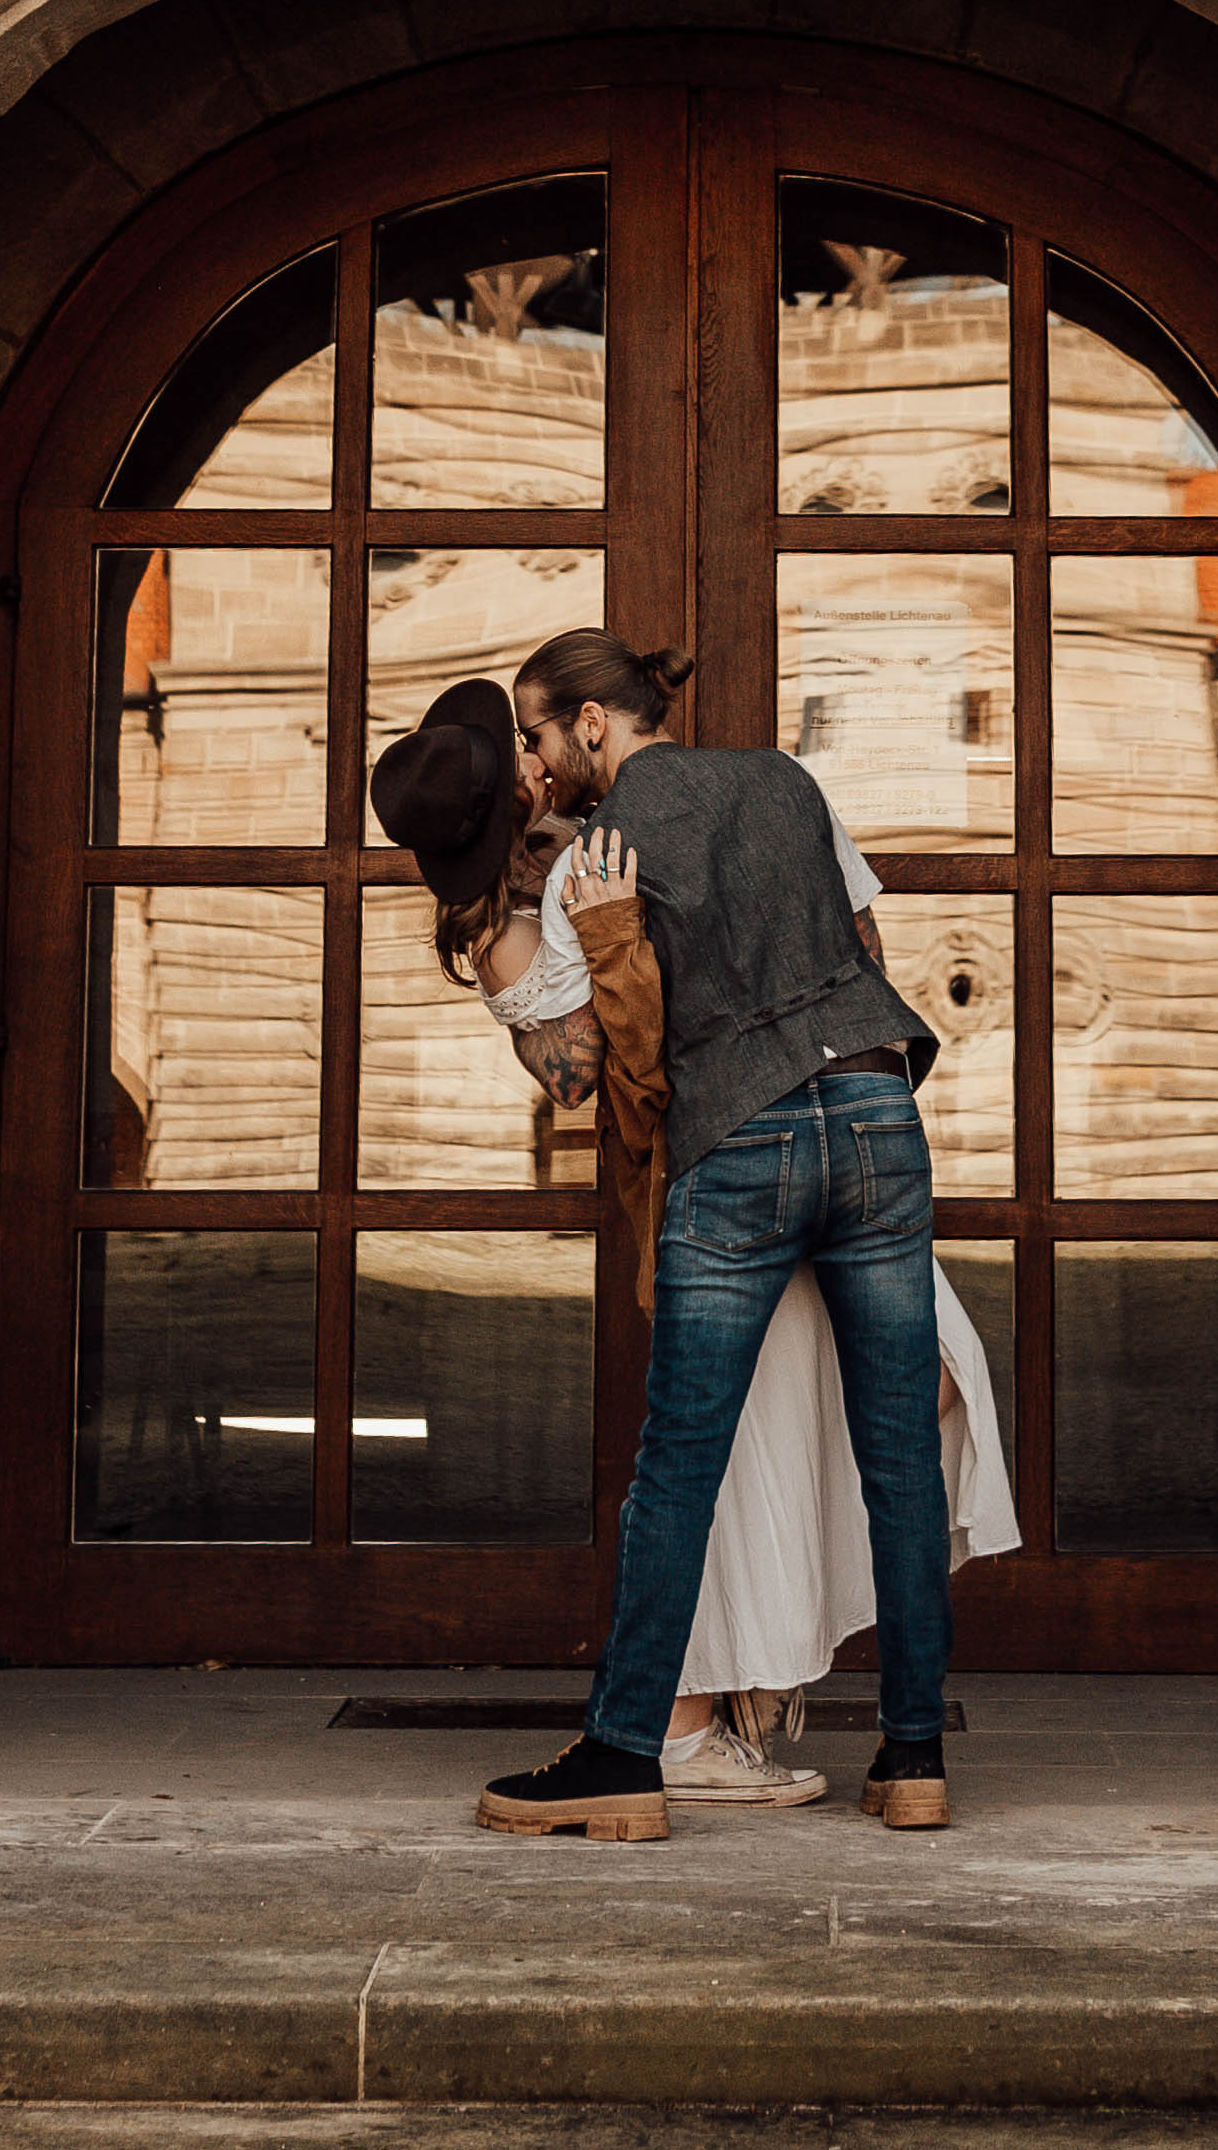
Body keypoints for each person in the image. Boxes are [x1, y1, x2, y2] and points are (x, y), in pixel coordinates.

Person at [370, 641, 1012, 1844]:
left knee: (678, 1468)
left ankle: (622, 1752)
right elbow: (866, 955)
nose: (540, 758)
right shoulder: (788, 780)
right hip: (875, 1112)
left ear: (597, 726)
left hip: (745, 1140)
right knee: (895, 1456)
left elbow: (605, 1068)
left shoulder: (590, 872)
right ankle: (913, 1755)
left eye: (542, 733)